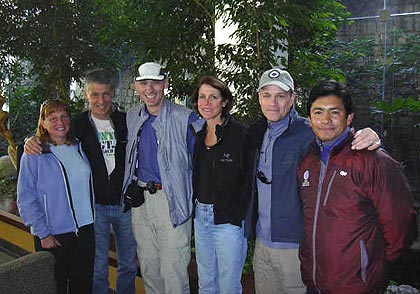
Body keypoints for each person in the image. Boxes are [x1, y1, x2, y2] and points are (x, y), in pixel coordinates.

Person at [244, 68, 382, 294]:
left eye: (280, 96)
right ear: (259, 98)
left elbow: (344, 142)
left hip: (296, 247)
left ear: (292, 98)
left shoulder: (309, 131)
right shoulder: (257, 132)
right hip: (262, 245)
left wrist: (370, 136)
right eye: (266, 95)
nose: (273, 103)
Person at [24, 69, 138, 294]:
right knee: (97, 268)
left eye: (106, 94)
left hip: (124, 206)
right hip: (95, 210)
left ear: (112, 94)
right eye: (95, 94)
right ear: (86, 95)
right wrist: (29, 141)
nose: (101, 100)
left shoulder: (125, 121)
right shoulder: (76, 125)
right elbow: (51, 133)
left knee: (127, 265)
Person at [298, 79, 417, 293]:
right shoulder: (308, 161)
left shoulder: (373, 161)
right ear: (309, 119)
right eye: (318, 112)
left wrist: (371, 266)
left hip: (357, 285)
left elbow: (402, 225)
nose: (326, 120)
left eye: (334, 112)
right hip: (315, 283)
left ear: (349, 117)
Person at [122, 62, 198, 294]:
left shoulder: (186, 118)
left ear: (165, 84)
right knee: (148, 266)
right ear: (136, 86)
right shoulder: (132, 116)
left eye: (155, 82)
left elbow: (201, 161)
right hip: (141, 202)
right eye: (144, 83)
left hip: (171, 201)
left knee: (173, 269)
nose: (150, 88)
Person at [17, 99, 95, 294]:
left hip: (85, 230)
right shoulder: (35, 154)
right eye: (53, 118)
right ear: (43, 123)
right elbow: (26, 197)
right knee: (54, 286)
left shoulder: (77, 146)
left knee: (83, 285)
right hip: (54, 233)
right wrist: (43, 233)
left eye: (64, 117)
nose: (60, 122)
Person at [190, 76, 248, 293]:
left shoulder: (240, 134)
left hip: (228, 220)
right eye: (202, 97)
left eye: (213, 97)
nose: (206, 102)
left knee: (229, 285)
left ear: (224, 101)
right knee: (206, 283)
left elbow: (248, 179)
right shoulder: (196, 133)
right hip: (201, 216)